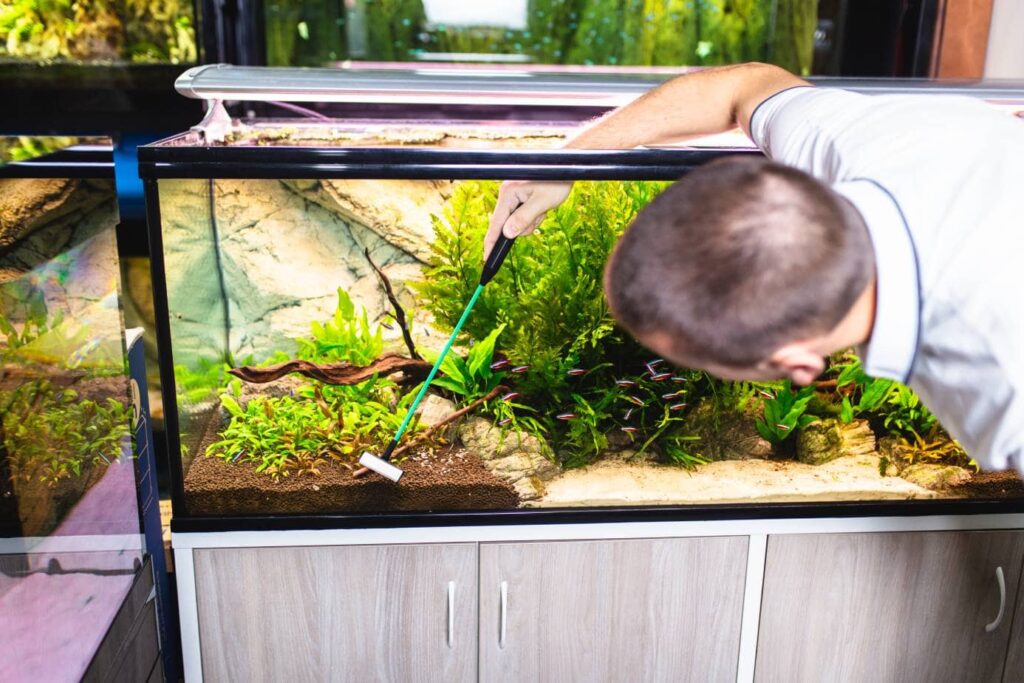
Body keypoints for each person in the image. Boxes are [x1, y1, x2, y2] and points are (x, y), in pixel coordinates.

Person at [483, 62, 1024, 474]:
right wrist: (570, 157)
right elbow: (744, 86)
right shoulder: (848, 142)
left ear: (797, 366)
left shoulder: (1001, 388)